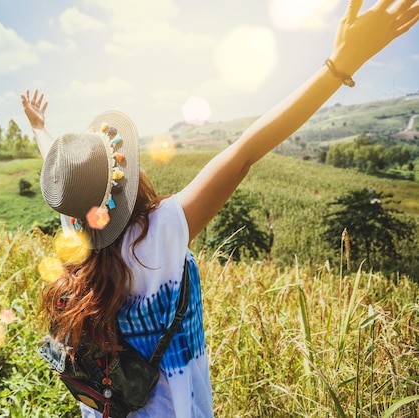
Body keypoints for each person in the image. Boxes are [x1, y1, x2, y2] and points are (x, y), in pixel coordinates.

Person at [21, 1, 418, 416]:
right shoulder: (162, 230)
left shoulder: (77, 232)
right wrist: (339, 66)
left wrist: (39, 127)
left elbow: (63, 174)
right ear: (127, 176)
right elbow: (246, 149)